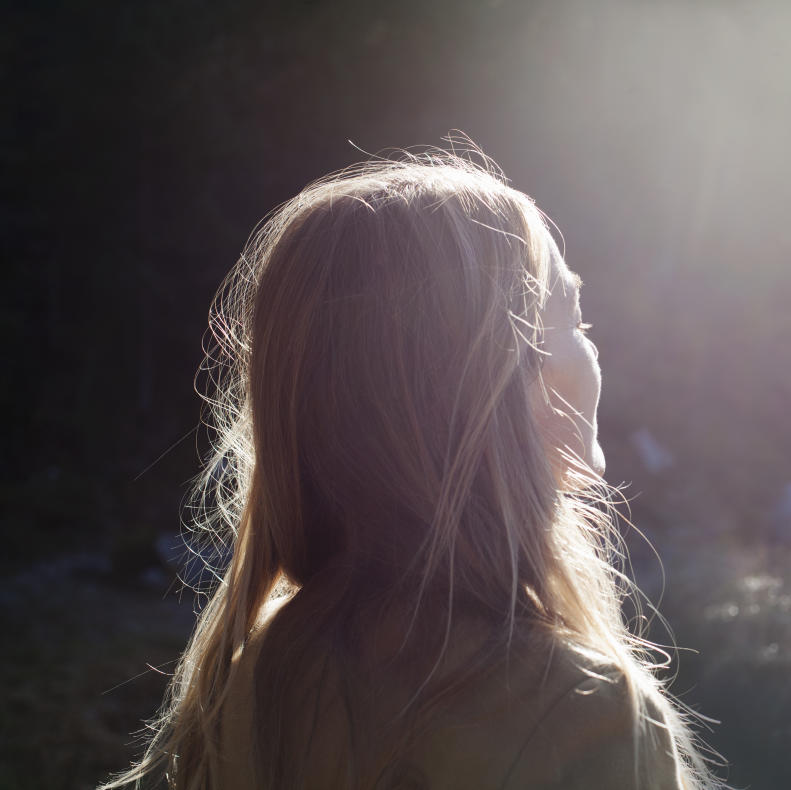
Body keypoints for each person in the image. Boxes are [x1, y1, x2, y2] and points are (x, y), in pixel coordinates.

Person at [102, 150, 718, 789]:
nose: (593, 348)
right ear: (506, 383)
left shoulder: (250, 677)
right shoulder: (583, 710)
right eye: (576, 319)